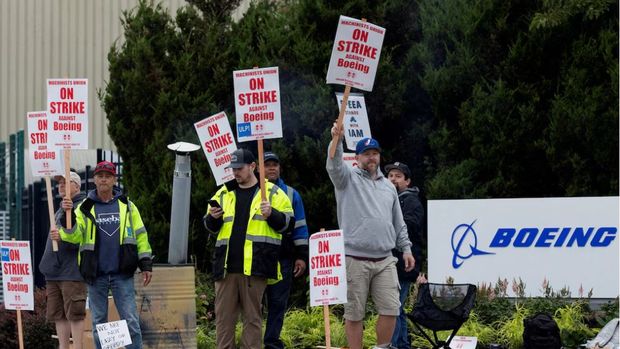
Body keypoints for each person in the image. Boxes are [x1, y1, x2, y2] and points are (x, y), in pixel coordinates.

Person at [326, 125, 415, 349]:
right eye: (366, 154)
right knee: (354, 313)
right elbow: (333, 165)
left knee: (392, 308)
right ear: (357, 158)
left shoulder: (388, 186)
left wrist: (406, 248)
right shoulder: (346, 179)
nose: (371, 157)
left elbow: (398, 221)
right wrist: (337, 140)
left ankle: (381, 347)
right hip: (354, 258)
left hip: (385, 259)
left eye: (374, 153)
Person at [51, 161, 153, 349]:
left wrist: (145, 263)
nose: (104, 179)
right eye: (100, 176)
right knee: (99, 324)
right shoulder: (84, 208)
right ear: (94, 180)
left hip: (122, 274)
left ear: (114, 180)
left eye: (108, 176)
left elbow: (141, 235)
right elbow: (74, 237)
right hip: (95, 275)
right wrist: (70, 216)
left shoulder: (127, 206)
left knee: (131, 322)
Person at [203, 148, 294, 349]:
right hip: (226, 269)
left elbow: (289, 225)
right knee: (223, 323)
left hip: (255, 268)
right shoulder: (223, 192)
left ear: (252, 166)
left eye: (239, 168)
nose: (235, 172)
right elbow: (209, 227)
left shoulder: (273, 193)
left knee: (253, 321)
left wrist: (272, 214)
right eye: (232, 168)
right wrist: (212, 218)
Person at [262, 151, 309, 349]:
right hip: (255, 258)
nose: (272, 168)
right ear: (258, 168)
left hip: (283, 258)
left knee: (278, 304)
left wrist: (302, 256)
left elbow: (300, 227)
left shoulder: (291, 194)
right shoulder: (251, 191)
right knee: (253, 305)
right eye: (267, 164)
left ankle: (272, 343)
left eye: (275, 164)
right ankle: (253, 343)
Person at [39, 171, 87, 349]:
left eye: (66, 183)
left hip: (71, 271)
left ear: (77, 186)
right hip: (54, 271)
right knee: (58, 314)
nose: (61, 186)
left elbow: (81, 236)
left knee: (74, 313)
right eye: (59, 183)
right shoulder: (60, 208)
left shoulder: (82, 206)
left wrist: (63, 235)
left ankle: (78, 347)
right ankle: (63, 346)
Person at [385, 162, 425, 349]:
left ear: (407, 181)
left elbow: (410, 226)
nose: (393, 179)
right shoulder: (386, 198)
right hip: (390, 262)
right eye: (390, 175)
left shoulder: (411, 200)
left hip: (405, 264)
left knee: (394, 307)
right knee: (395, 308)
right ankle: (400, 344)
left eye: (398, 176)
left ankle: (398, 345)